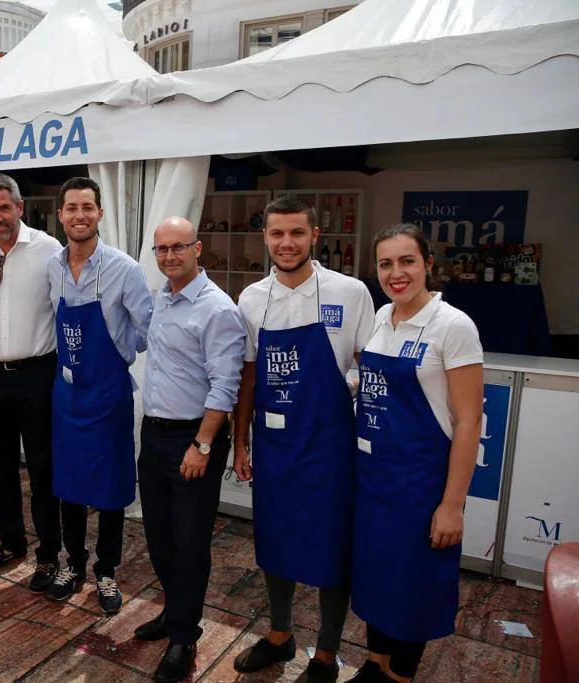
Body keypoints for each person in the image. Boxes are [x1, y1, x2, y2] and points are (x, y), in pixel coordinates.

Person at [231, 195, 375, 682]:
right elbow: (248, 377)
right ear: (265, 238)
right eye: (277, 234)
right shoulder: (251, 298)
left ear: (315, 236)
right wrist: (240, 442)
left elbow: (368, 364)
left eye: (296, 233)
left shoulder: (350, 292)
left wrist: (347, 391)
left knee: (332, 546)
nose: (286, 243)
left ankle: (328, 654)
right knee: (275, 540)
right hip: (274, 445)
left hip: (330, 444)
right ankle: (279, 635)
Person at [348, 225, 483, 683]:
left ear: (428, 263)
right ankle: (375, 664)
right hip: (373, 479)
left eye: (407, 261)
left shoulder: (453, 326)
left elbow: (468, 423)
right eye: (385, 264)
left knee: (411, 585)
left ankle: (399, 675)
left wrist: (451, 505)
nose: (396, 273)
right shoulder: (382, 318)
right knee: (376, 577)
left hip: (421, 485)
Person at [134, 217, 245, 683]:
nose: (169, 256)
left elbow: (226, 384)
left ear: (198, 249)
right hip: (154, 433)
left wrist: (202, 444)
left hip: (193, 439)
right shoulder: (161, 299)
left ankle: (183, 638)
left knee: (190, 542)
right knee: (158, 535)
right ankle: (174, 611)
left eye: (178, 247)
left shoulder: (218, 309)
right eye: (161, 250)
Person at [44, 177, 152, 613]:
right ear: (61, 215)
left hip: (108, 395)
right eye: (71, 208)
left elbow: (147, 331)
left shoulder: (124, 268)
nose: (79, 215)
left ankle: (106, 572)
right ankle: (73, 563)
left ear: (100, 214)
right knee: (68, 484)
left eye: (87, 207)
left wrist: (120, 354)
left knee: (109, 489)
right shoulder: (52, 266)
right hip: (67, 397)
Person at [0, 173, 62, 592]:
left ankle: (50, 555)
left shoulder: (48, 249)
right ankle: (11, 542)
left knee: (42, 469)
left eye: (5, 207)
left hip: (38, 372)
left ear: (21, 207)